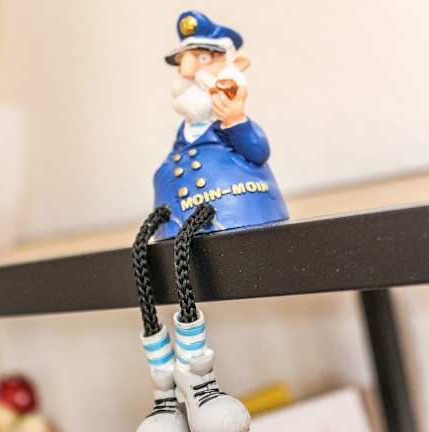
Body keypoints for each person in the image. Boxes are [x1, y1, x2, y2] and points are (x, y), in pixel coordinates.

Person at [132, 10, 289, 432]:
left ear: (229, 64)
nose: (186, 70)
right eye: (184, 61)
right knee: (153, 291)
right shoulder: (186, 129)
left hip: (226, 211)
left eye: (200, 58)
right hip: (179, 222)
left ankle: (199, 385)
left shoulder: (228, 124)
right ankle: (167, 393)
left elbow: (257, 151)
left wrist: (236, 118)